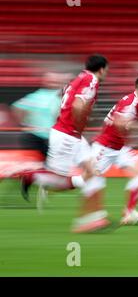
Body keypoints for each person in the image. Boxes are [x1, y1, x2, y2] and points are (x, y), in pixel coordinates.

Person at [20, 54, 109, 233]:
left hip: (71, 134)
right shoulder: (92, 80)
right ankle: (32, 176)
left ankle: (94, 219)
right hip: (69, 135)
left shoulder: (77, 79)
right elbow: (77, 106)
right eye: (107, 69)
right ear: (102, 69)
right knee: (60, 183)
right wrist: (81, 122)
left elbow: (65, 104)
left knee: (94, 172)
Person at [90, 74, 138, 225]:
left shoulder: (135, 102)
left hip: (119, 148)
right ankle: (49, 182)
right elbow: (121, 122)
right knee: (86, 180)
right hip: (105, 148)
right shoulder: (131, 103)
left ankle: (129, 213)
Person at [11, 72, 71, 159]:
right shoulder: (37, 96)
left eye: (56, 80)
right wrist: (24, 124)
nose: (53, 82)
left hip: (54, 137)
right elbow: (16, 107)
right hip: (38, 137)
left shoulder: (64, 95)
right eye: (51, 80)